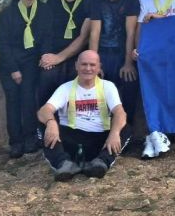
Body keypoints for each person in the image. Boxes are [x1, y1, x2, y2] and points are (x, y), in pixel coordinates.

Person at [37, 50, 130, 180]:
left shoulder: (108, 87)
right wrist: (51, 123)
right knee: (43, 125)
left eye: (92, 65)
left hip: (99, 139)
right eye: (84, 64)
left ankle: (101, 162)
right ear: (76, 66)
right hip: (70, 138)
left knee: (123, 127)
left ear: (99, 67)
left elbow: (120, 112)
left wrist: (114, 133)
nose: (88, 69)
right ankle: (64, 164)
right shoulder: (65, 88)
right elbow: (44, 110)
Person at [135, 0, 175, 158]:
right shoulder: (144, 0)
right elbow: (140, 28)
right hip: (154, 55)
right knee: (155, 93)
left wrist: (158, 17)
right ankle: (155, 133)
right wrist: (138, 49)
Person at [0, 0, 51, 158]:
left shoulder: (43, 10)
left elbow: (45, 38)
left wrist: (45, 57)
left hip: (31, 63)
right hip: (9, 64)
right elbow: (2, 43)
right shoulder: (8, 13)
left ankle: (30, 139)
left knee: (28, 101)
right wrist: (13, 69)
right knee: (13, 102)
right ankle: (15, 142)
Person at [88, 0, 141, 124]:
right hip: (103, 52)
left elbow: (130, 31)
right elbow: (94, 33)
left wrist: (128, 63)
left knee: (130, 82)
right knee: (97, 85)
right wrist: (94, 65)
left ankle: (127, 127)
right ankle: (100, 128)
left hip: (122, 51)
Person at [38, 0, 95, 107]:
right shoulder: (53, 0)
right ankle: (45, 125)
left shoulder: (91, 1)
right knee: (45, 80)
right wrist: (46, 57)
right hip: (55, 53)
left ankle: (70, 127)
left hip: (78, 55)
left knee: (74, 84)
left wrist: (58, 58)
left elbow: (85, 37)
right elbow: (46, 32)